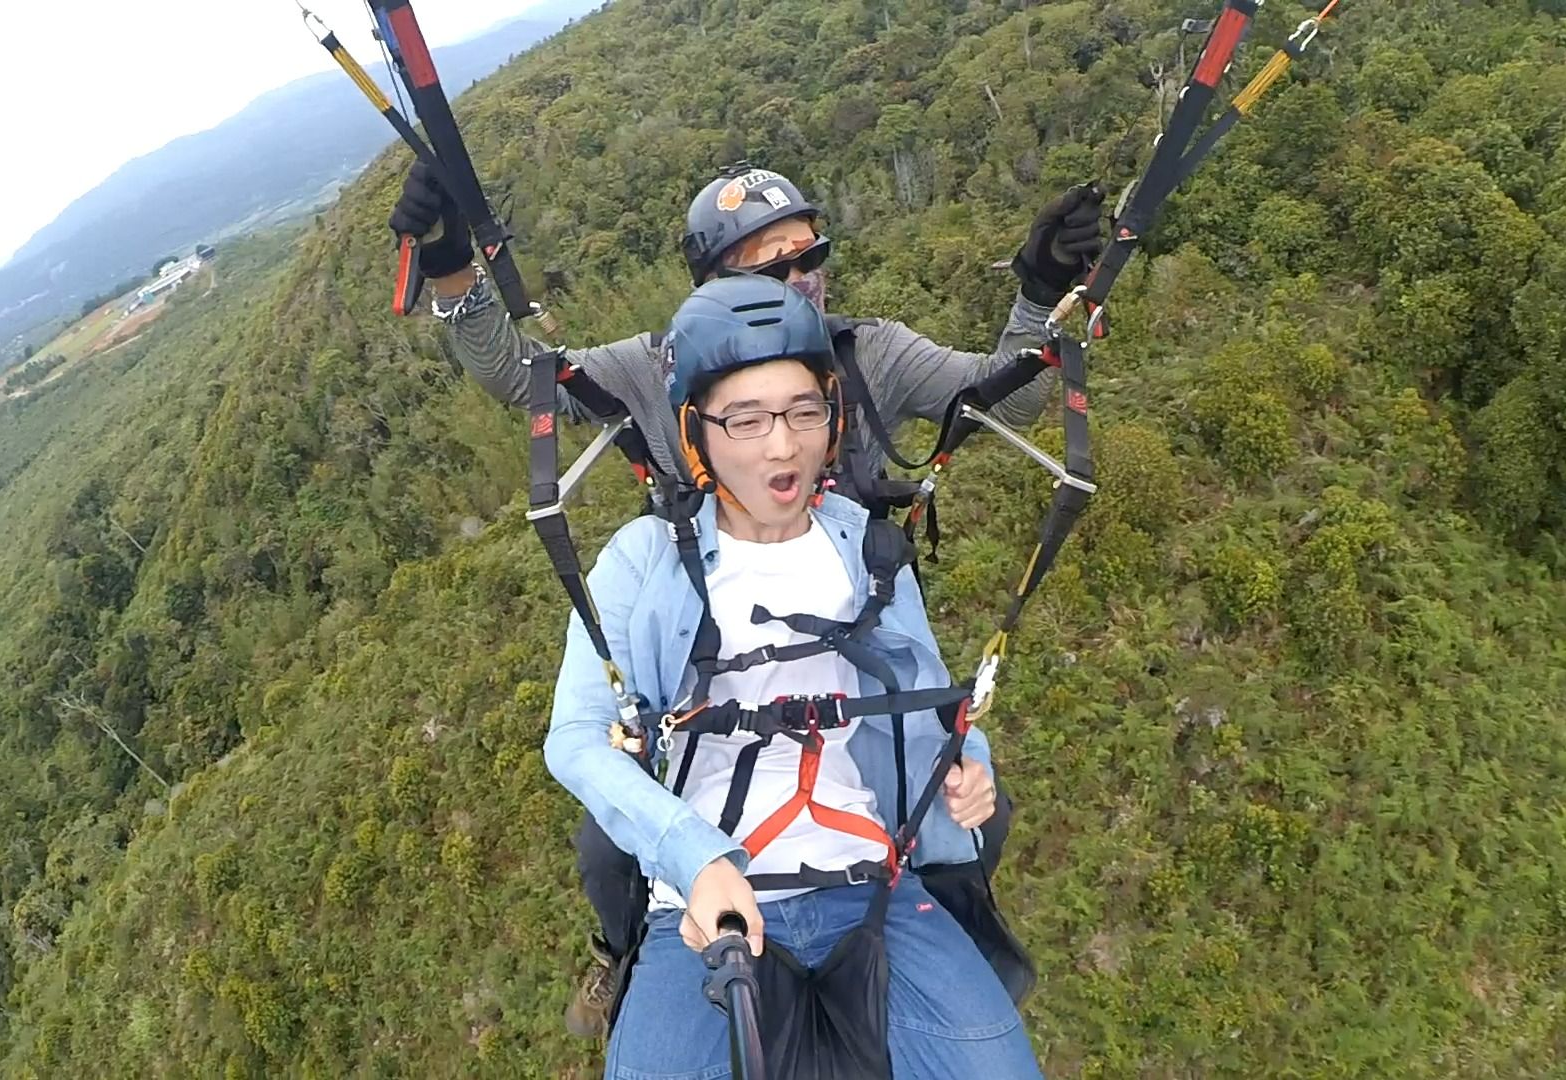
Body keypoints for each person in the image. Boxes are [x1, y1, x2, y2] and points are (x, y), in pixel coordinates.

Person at [390, 160, 1102, 1034]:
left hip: (861, 618)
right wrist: (450, 268)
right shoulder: (663, 370)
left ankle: (940, 934)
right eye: (769, 267)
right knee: (608, 852)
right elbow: (521, 376)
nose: (800, 279)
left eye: (809, 256)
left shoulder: (862, 353)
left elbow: (1002, 398)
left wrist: (1041, 295)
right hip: (707, 647)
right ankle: (624, 953)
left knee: (973, 811)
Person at [544, 275, 1045, 1078]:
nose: (782, 447)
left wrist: (969, 765)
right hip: (704, 903)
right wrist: (693, 858)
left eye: (803, 413)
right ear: (696, 431)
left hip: (872, 880)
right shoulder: (643, 561)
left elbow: (931, 703)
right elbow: (575, 737)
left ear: (832, 417)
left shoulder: (869, 551)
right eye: (745, 419)